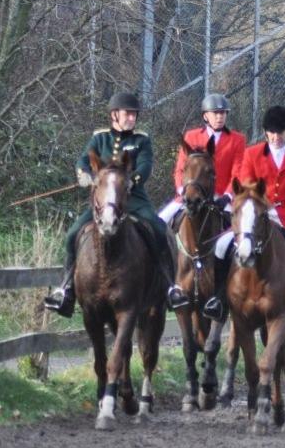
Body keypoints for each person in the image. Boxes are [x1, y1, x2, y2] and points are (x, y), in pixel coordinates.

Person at [44, 92, 185, 317]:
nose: (132, 118)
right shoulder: (100, 139)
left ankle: (170, 286)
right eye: (127, 113)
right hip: (103, 203)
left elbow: (146, 166)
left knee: (159, 230)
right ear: (114, 115)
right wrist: (86, 175)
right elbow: (83, 161)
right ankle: (66, 289)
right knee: (72, 234)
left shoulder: (141, 140)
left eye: (134, 114)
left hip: (134, 199)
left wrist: (132, 180)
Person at [207, 106, 285, 322]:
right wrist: (262, 208)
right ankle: (219, 298)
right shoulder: (252, 154)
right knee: (222, 245)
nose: (276, 137)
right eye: (272, 132)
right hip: (258, 217)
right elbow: (245, 187)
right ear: (265, 132)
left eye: (280, 132)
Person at [158, 93, 246, 224]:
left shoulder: (237, 140)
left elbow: (237, 172)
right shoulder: (191, 137)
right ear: (205, 115)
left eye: (223, 113)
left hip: (222, 198)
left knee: (243, 234)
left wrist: (228, 196)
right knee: (159, 222)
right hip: (191, 195)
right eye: (215, 113)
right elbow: (180, 170)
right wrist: (182, 190)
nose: (219, 117)